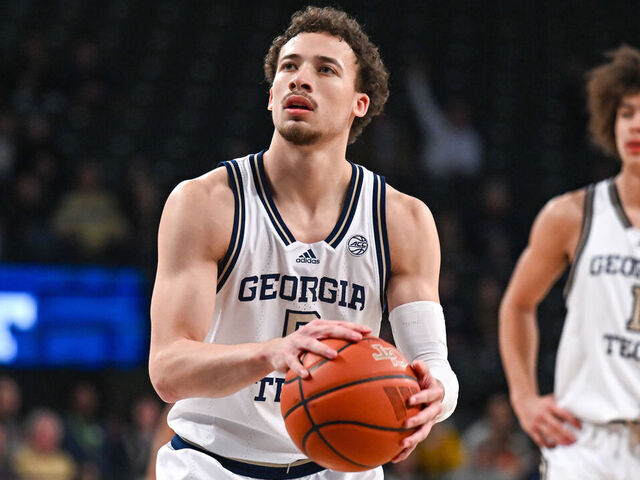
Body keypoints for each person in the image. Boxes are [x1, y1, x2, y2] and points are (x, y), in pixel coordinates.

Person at [149, 6, 458, 480]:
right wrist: (273, 353)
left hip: (339, 467)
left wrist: (433, 397)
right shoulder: (206, 202)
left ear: (360, 102)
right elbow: (168, 369)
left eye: (325, 69)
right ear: (271, 94)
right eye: (289, 67)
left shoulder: (401, 219)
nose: (300, 79)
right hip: (212, 464)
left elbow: (434, 366)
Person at [499, 45, 640, 479]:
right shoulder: (572, 215)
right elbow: (517, 305)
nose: (635, 124)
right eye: (626, 112)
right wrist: (524, 399)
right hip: (586, 444)